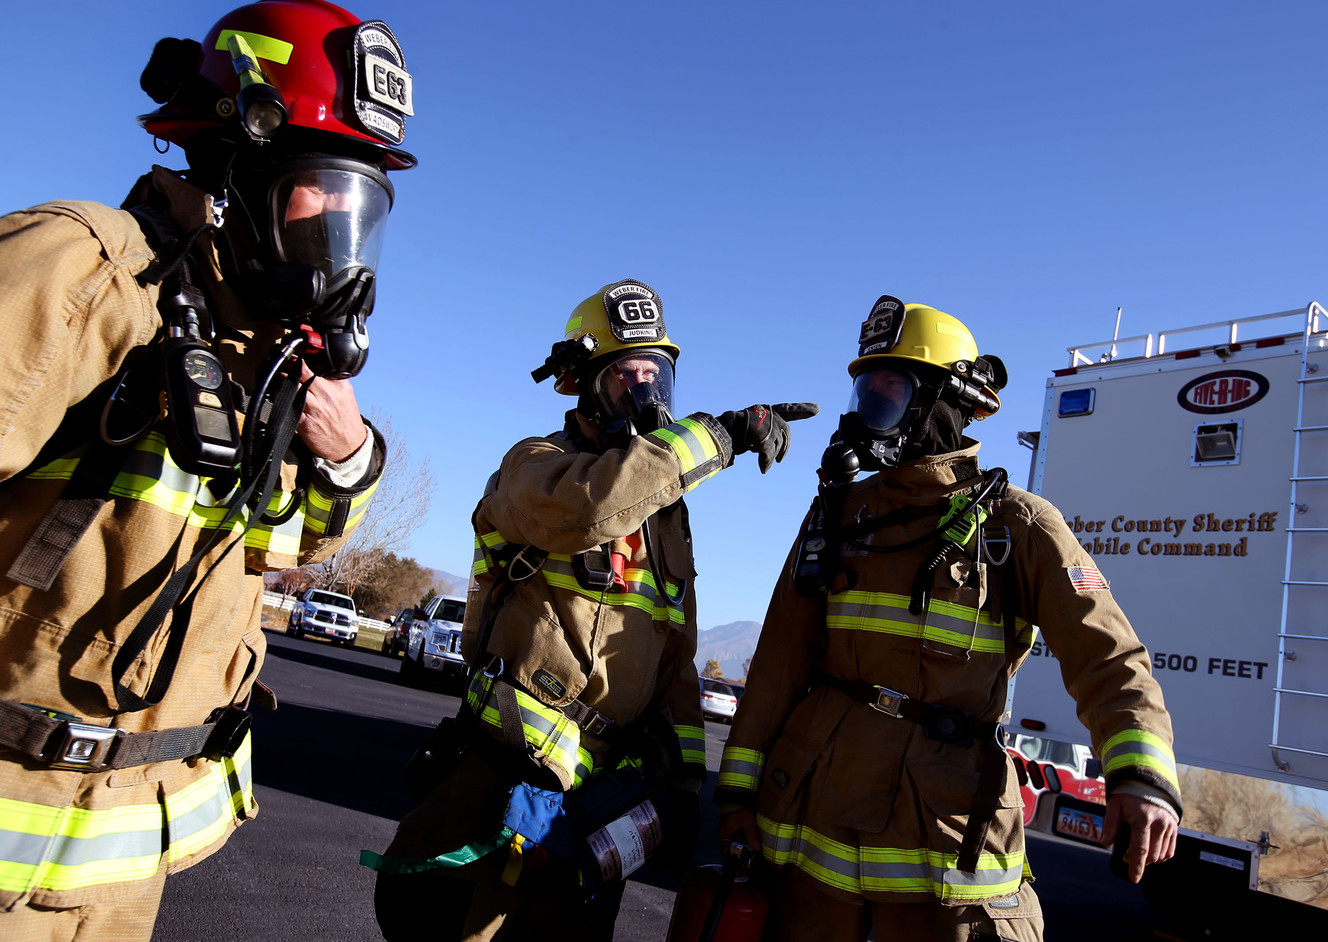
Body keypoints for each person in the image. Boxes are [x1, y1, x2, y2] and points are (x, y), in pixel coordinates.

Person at [0, 2, 416, 938]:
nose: (345, 236)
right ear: (244, 160)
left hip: (115, 866)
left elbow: (283, 542)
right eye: (327, 191)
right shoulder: (87, 274)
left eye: (363, 207)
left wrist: (348, 458)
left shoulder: (261, 357)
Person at [715, 296, 1182, 942]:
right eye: (864, 391)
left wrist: (1143, 773)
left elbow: (1109, 656)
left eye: (889, 391)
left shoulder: (1020, 527)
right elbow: (777, 663)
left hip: (947, 845)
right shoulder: (836, 516)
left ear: (946, 403)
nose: (867, 413)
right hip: (814, 831)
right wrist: (738, 793)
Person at [370, 279, 816, 942]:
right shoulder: (537, 466)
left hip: (590, 817)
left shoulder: (667, 521)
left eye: (655, 376)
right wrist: (717, 437)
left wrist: (681, 784)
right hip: (496, 786)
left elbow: (675, 659)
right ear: (583, 384)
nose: (645, 393)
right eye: (625, 377)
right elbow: (595, 507)